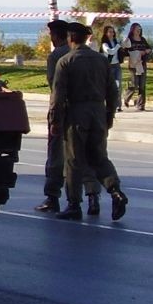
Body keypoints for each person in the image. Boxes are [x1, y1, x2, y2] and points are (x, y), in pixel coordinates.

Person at [49, 21, 129, 221]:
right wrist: (109, 116)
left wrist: (55, 121)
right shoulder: (101, 60)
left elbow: (58, 96)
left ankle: (74, 204)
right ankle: (115, 191)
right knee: (99, 157)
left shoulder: (66, 61)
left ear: (70, 38)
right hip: (98, 112)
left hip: (76, 113)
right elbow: (113, 91)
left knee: (74, 160)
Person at [34, 19, 70, 213]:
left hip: (61, 109)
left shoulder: (56, 56)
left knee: (56, 154)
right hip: (82, 111)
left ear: (55, 36)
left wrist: (55, 116)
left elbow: (54, 86)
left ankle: (52, 196)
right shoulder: (80, 53)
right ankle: (90, 198)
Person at [121, 22, 152, 111]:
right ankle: (126, 97)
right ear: (133, 30)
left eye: (140, 29)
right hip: (133, 64)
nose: (139, 30)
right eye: (137, 29)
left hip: (142, 64)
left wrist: (146, 51)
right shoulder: (129, 40)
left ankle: (141, 105)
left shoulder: (142, 39)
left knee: (142, 85)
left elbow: (149, 48)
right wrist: (134, 53)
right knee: (135, 84)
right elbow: (124, 50)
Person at [99, 24, 123, 112]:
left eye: (113, 32)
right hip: (108, 67)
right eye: (109, 32)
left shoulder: (116, 42)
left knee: (118, 85)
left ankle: (118, 105)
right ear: (105, 33)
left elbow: (125, 46)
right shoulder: (104, 44)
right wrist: (118, 46)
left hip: (117, 66)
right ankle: (107, 104)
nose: (112, 33)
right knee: (108, 86)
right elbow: (110, 52)